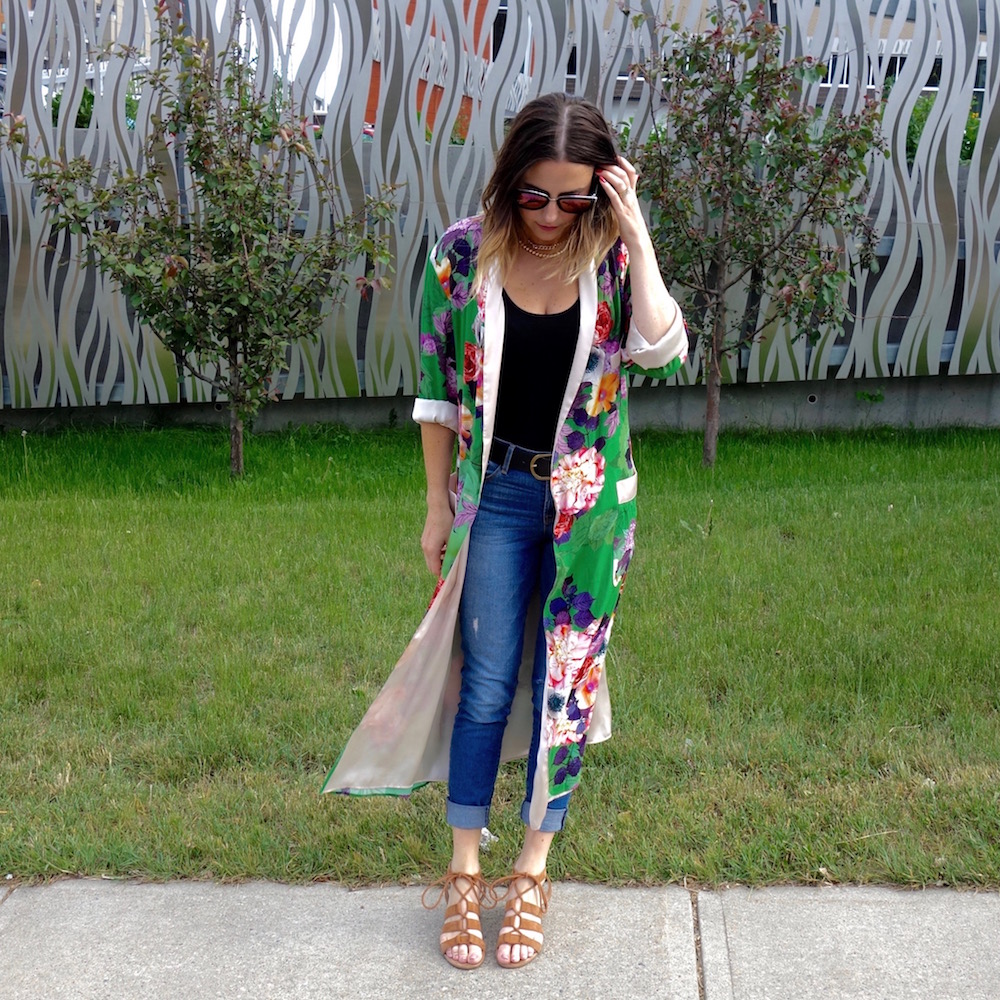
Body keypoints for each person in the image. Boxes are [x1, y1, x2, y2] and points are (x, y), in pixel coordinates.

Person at [323, 92, 687, 970]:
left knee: (564, 680)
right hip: (496, 497)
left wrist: (634, 231)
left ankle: (531, 872)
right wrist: (436, 506)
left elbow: (662, 349)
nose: (552, 215)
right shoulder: (460, 255)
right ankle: (463, 871)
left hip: (590, 510)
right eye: (534, 195)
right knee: (484, 681)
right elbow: (439, 393)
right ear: (509, 180)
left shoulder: (610, 257)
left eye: (573, 198)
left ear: (600, 192)